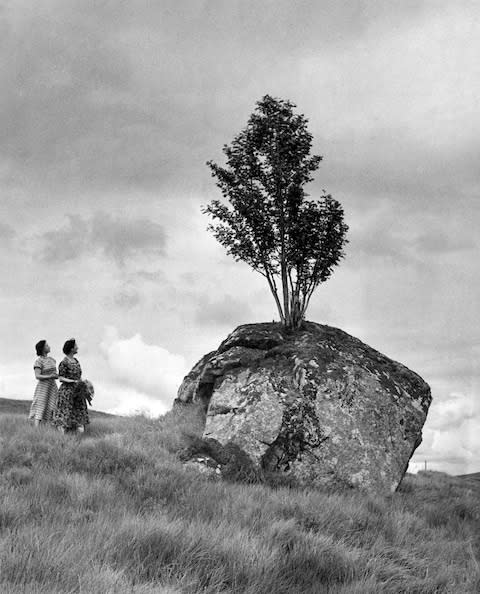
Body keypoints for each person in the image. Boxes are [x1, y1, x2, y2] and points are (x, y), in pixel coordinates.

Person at [52, 338, 89, 433]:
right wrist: (72, 381)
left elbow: (79, 376)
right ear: (72, 349)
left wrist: (83, 384)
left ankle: (77, 434)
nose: (78, 347)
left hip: (78, 392)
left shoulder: (76, 361)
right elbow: (61, 378)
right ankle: (63, 435)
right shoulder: (64, 363)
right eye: (76, 346)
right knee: (65, 413)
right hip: (67, 392)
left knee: (79, 414)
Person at [29, 340, 58, 426]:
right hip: (43, 387)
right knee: (40, 406)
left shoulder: (52, 360)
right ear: (42, 348)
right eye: (47, 345)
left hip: (52, 386)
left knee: (52, 406)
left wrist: (57, 376)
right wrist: (49, 376)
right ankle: (36, 430)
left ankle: (48, 428)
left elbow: (55, 374)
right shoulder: (39, 361)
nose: (49, 347)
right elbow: (37, 376)